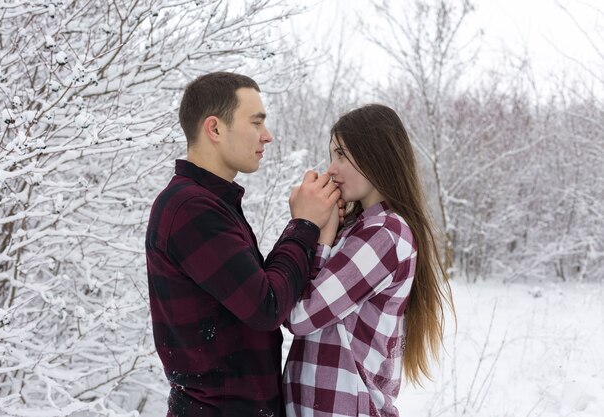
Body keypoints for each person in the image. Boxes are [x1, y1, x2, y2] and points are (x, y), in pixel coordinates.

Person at [145, 72, 340, 417]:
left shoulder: (210, 204)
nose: (268, 136)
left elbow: (258, 291)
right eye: (256, 122)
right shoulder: (191, 208)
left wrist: (305, 225)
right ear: (215, 129)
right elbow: (266, 305)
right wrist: (304, 224)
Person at [283, 104, 454, 417]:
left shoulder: (384, 234)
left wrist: (313, 233)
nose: (331, 168)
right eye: (332, 154)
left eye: (342, 155)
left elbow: (300, 314)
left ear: (376, 156)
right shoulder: (362, 228)